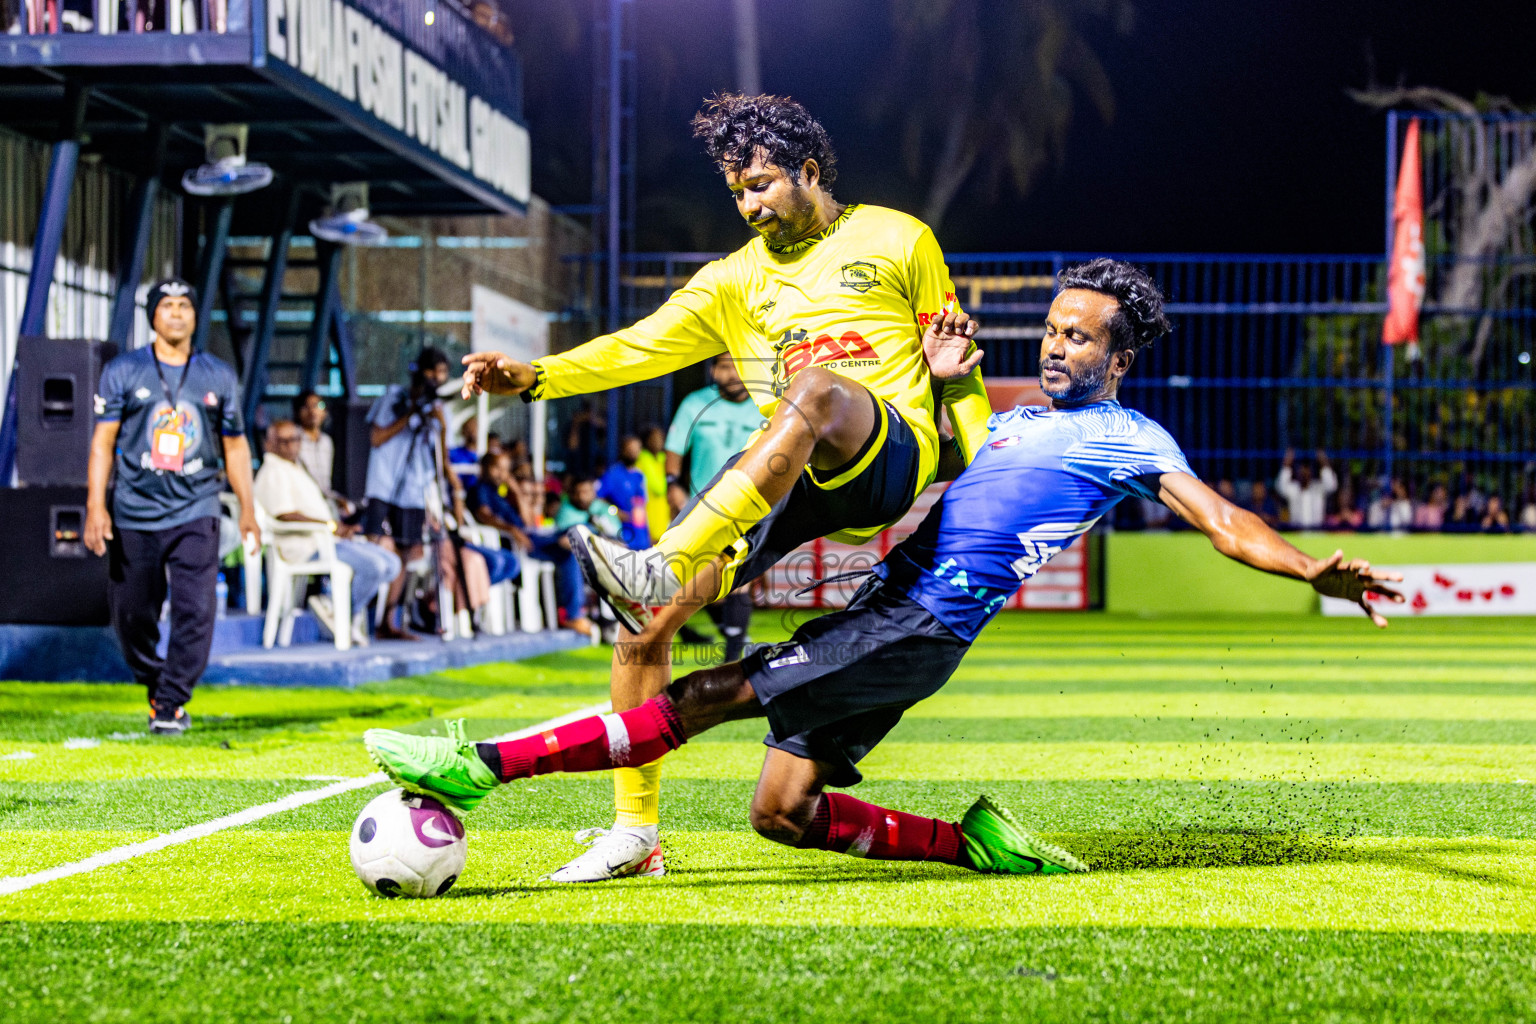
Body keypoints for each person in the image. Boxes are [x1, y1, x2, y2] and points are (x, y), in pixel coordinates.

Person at [366, 258, 1402, 878]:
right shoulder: (1017, 415)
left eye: (1078, 337)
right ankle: (978, 846)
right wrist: (941, 385)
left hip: (920, 625)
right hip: (894, 601)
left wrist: (1309, 566)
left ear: (1119, 359)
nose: (1054, 345)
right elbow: (933, 456)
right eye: (1049, 327)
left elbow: (1224, 523)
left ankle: (482, 767)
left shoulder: (1135, 438)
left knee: (713, 690)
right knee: (783, 811)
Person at [459, 93, 991, 881]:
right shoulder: (730, 281)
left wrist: (988, 487)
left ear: (809, 172)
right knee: (644, 628)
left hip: (889, 450)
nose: (750, 206)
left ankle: (665, 558)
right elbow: (638, 348)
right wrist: (537, 375)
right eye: (738, 192)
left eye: (765, 185)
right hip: (798, 471)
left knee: (813, 389)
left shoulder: (899, 237)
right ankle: (635, 836)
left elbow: (957, 368)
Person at [84, 277, 260, 735]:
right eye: (168, 306)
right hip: (133, 508)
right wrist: (94, 506)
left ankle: (171, 702)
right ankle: (155, 682)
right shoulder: (123, 371)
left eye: (186, 305)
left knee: (196, 610)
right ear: (154, 316)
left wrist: (248, 509)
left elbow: (236, 446)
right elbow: (103, 443)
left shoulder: (218, 375)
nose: (177, 313)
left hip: (196, 508)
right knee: (132, 612)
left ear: (195, 315)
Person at [253, 420, 401, 644]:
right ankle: (336, 610)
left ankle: (337, 610)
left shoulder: (294, 467)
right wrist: (330, 526)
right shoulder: (272, 470)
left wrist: (338, 527)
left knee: (392, 564)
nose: (291, 446)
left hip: (327, 540)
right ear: (270, 444)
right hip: (305, 546)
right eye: (284, 441)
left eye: (295, 440)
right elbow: (284, 514)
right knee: (376, 566)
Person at [665, 355, 765, 661]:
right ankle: (733, 632)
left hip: (750, 502)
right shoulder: (695, 404)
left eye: (737, 365)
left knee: (736, 572)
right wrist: (673, 483)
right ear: (713, 371)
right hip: (701, 503)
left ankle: (734, 649)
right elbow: (674, 448)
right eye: (724, 366)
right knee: (695, 576)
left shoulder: (765, 405)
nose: (732, 373)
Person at [363, 347, 467, 640]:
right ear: (419, 371)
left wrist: (440, 424)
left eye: (443, 372)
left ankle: (390, 620)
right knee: (376, 546)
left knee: (409, 551)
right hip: (383, 485)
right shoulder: (394, 397)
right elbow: (377, 437)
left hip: (412, 491)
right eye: (433, 371)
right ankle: (361, 616)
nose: (437, 378)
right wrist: (410, 414)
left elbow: (440, 455)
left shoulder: (438, 407)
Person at [472, 451, 595, 638]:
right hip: (520, 543)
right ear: (485, 468)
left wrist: (515, 489)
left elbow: (529, 522)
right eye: (497, 468)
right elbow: (483, 515)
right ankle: (574, 613)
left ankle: (574, 613)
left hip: (532, 536)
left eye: (506, 469)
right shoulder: (481, 489)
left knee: (571, 551)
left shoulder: (500, 493)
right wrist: (512, 530)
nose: (501, 473)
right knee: (577, 536)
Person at [597, 434, 651, 550]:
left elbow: (643, 504)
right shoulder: (613, 474)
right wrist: (615, 512)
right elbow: (598, 499)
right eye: (630, 449)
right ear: (623, 450)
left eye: (637, 449)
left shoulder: (639, 475)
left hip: (641, 536)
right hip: (622, 535)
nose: (633, 453)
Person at [1275, 449, 1337, 529]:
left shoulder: (1318, 488)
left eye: (1307, 472)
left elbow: (1331, 486)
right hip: (1296, 531)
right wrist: (1286, 466)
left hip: (1317, 531)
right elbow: (1281, 487)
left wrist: (1324, 464)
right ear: (1297, 473)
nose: (1304, 474)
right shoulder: (1293, 489)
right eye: (1302, 472)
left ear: (1311, 473)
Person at [636, 425, 671, 544]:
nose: (658, 441)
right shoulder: (641, 460)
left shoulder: (663, 459)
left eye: (661, 437)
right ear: (647, 440)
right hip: (648, 516)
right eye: (654, 438)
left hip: (663, 514)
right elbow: (658, 488)